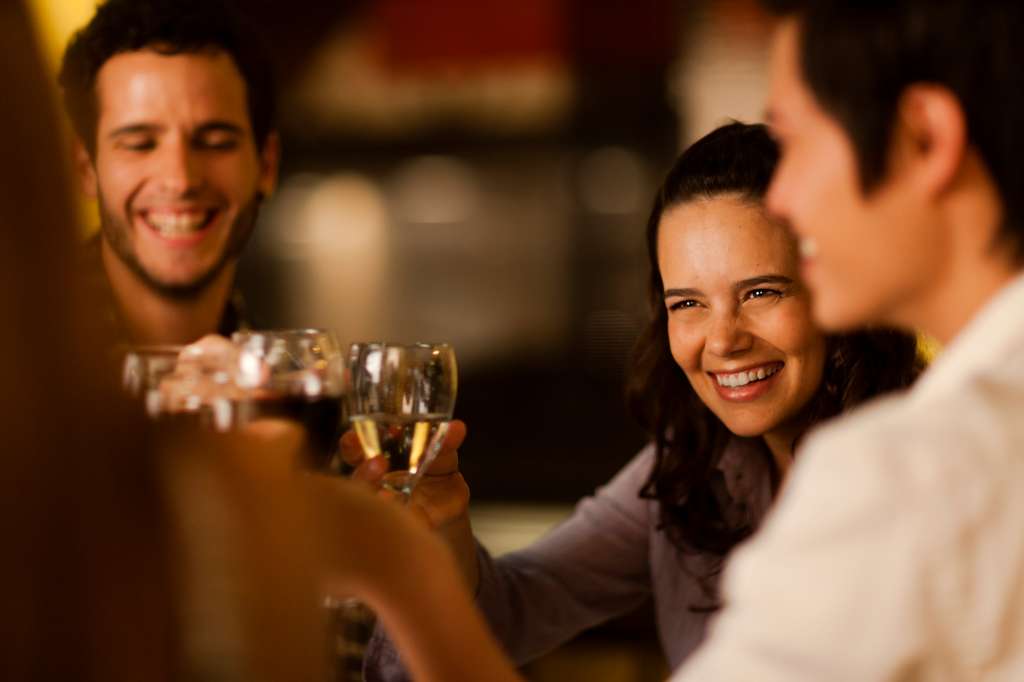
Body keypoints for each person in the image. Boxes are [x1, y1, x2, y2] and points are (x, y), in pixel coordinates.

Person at [355, 122, 923, 680]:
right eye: (687, 304)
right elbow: (514, 610)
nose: (722, 340)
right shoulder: (693, 463)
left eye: (760, 292)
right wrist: (441, 530)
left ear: (836, 290)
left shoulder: (928, 470)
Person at [668, 1, 1024, 679]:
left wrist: (413, 586)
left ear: (925, 137)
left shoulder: (906, 473)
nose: (781, 200)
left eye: (798, 142)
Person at [58, 0, 279, 345]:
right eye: (140, 144)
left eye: (215, 142)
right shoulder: (19, 369)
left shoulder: (291, 381)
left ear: (266, 165)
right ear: (86, 168)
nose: (180, 180)